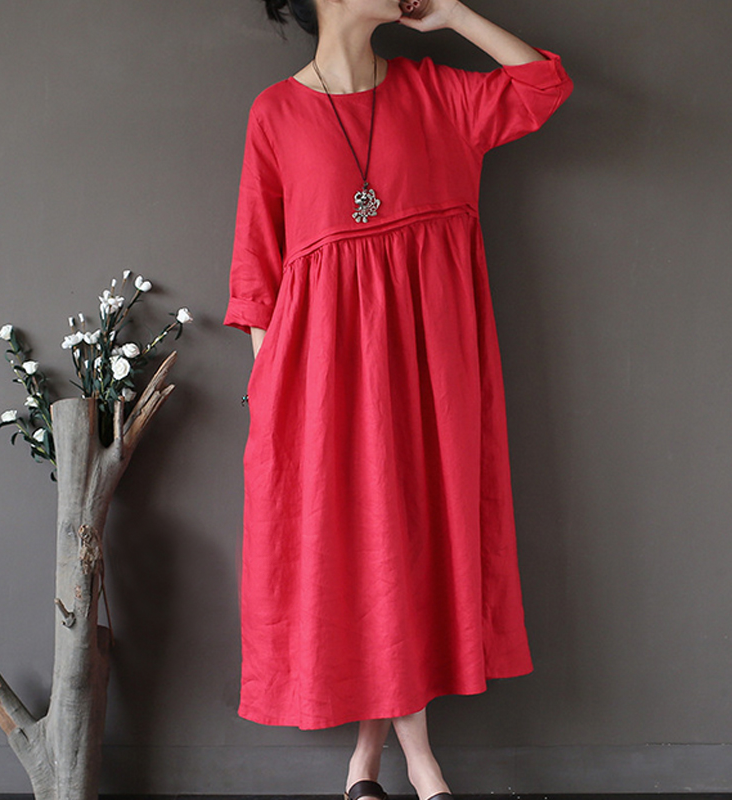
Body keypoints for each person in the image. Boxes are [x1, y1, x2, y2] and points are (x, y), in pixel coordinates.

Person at [223, 1, 573, 798]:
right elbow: (256, 272)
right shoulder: (276, 114)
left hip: (430, 378)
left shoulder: (439, 95)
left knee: (399, 552)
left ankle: (366, 765)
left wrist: (454, 15)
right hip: (322, 386)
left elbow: (544, 86)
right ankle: (421, 766)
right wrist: (275, 399)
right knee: (359, 553)